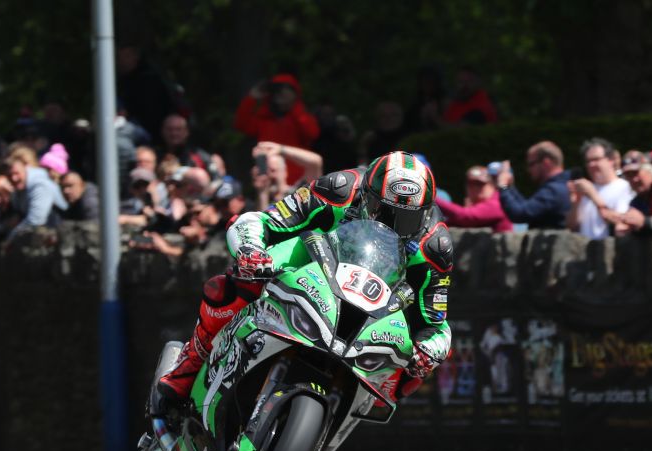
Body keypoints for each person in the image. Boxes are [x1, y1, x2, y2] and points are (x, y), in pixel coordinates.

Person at [151, 150, 453, 418]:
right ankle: (187, 367)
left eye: (406, 220)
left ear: (424, 214)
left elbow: (436, 323)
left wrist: (428, 349)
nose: (391, 225)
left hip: (379, 294)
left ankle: (345, 418)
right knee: (240, 281)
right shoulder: (338, 189)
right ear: (366, 196)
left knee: (417, 366)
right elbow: (263, 220)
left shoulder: (434, 245)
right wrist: (252, 251)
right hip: (312, 258)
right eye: (383, 212)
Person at [233, 73, 320, 183]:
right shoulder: (264, 119)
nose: (279, 95)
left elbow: (312, 134)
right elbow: (240, 125)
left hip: (298, 182)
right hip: (271, 179)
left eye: (284, 90)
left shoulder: (299, 117)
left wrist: (293, 104)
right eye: (276, 91)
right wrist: (251, 98)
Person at [566, 138, 633, 239]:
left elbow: (621, 222)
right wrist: (575, 203)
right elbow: (572, 227)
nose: (591, 165)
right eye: (588, 161)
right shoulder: (587, 189)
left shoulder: (624, 187)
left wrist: (593, 195)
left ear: (611, 160)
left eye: (596, 159)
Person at [495, 141, 570, 229]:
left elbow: (519, 214)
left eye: (531, 164)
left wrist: (503, 186)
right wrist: (510, 187)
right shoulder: (561, 185)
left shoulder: (553, 190)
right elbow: (525, 207)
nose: (528, 170)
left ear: (546, 162)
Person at [436, 165, 513, 233]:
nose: (474, 188)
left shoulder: (498, 203)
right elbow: (453, 223)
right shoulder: (476, 205)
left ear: (491, 185)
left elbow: (465, 216)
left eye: (480, 184)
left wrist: (432, 198)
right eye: (470, 183)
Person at [250, 141, 323, 212]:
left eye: (273, 170)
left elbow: (315, 162)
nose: (270, 175)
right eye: (266, 171)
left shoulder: (299, 192)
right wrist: (262, 192)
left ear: (285, 171)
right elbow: (262, 222)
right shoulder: (258, 201)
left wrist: (281, 149)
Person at [6, 152, 67, 233]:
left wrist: (10, 240)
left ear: (26, 168)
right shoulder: (20, 187)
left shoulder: (40, 184)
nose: (14, 178)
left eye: (17, 173)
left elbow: (36, 221)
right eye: (10, 175)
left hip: (61, 232)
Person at [159, 114, 222, 180]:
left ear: (187, 132)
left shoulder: (199, 156)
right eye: (170, 129)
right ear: (162, 131)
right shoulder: (153, 156)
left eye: (178, 129)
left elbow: (217, 180)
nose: (174, 133)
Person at [617, 150, 652, 217]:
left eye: (636, 173)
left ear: (651, 170)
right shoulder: (635, 203)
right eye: (629, 176)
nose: (634, 180)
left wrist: (645, 222)